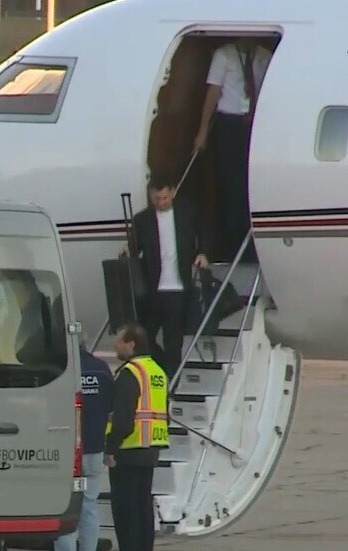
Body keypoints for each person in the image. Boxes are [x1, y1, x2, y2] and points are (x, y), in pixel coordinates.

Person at [193, 37, 273, 263]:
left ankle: (255, 248)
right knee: (231, 187)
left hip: (254, 125)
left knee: (253, 186)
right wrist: (202, 132)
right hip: (230, 124)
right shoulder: (223, 55)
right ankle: (233, 247)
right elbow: (213, 93)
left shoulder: (264, 56)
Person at [129, 177, 209, 378]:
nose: (162, 202)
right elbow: (134, 249)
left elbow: (205, 233)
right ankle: (163, 368)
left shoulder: (187, 213)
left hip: (178, 289)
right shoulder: (142, 220)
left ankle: (172, 380)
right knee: (143, 339)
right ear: (151, 196)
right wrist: (127, 250)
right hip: (153, 290)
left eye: (165, 198)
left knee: (174, 342)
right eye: (157, 199)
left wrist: (203, 253)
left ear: (173, 193)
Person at [105, 323, 170, 551]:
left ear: (131, 344)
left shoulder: (129, 373)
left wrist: (111, 448)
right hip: (151, 449)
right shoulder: (157, 372)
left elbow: (123, 418)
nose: (115, 344)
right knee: (143, 508)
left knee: (126, 512)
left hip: (129, 451)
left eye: (120, 340)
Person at [54, 339, 114, 551]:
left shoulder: (61, 370)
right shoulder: (102, 369)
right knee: (89, 506)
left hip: (68, 451)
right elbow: (111, 407)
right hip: (95, 449)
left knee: (65, 507)